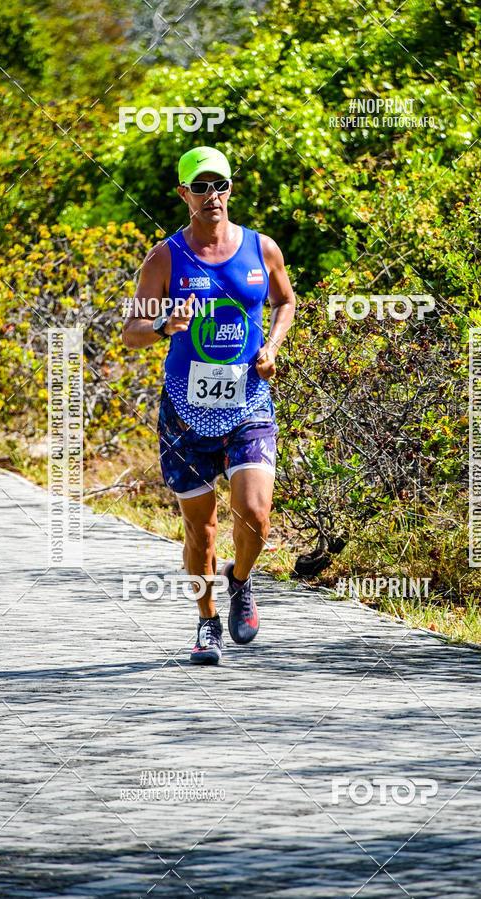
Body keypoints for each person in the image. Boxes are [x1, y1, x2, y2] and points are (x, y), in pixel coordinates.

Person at [122, 146, 296, 665]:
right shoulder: (165, 257)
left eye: (219, 184)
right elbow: (130, 333)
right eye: (200, 186)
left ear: (230, 189)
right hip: (185, 409)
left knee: (257, 516)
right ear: (183, 194)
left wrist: (272, 347)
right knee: (201, 532)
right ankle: (207, 622)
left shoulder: (261, 248)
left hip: (248, 400)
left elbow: (285, 301)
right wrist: (162, 325)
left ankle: (240, 581)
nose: (211, 195)